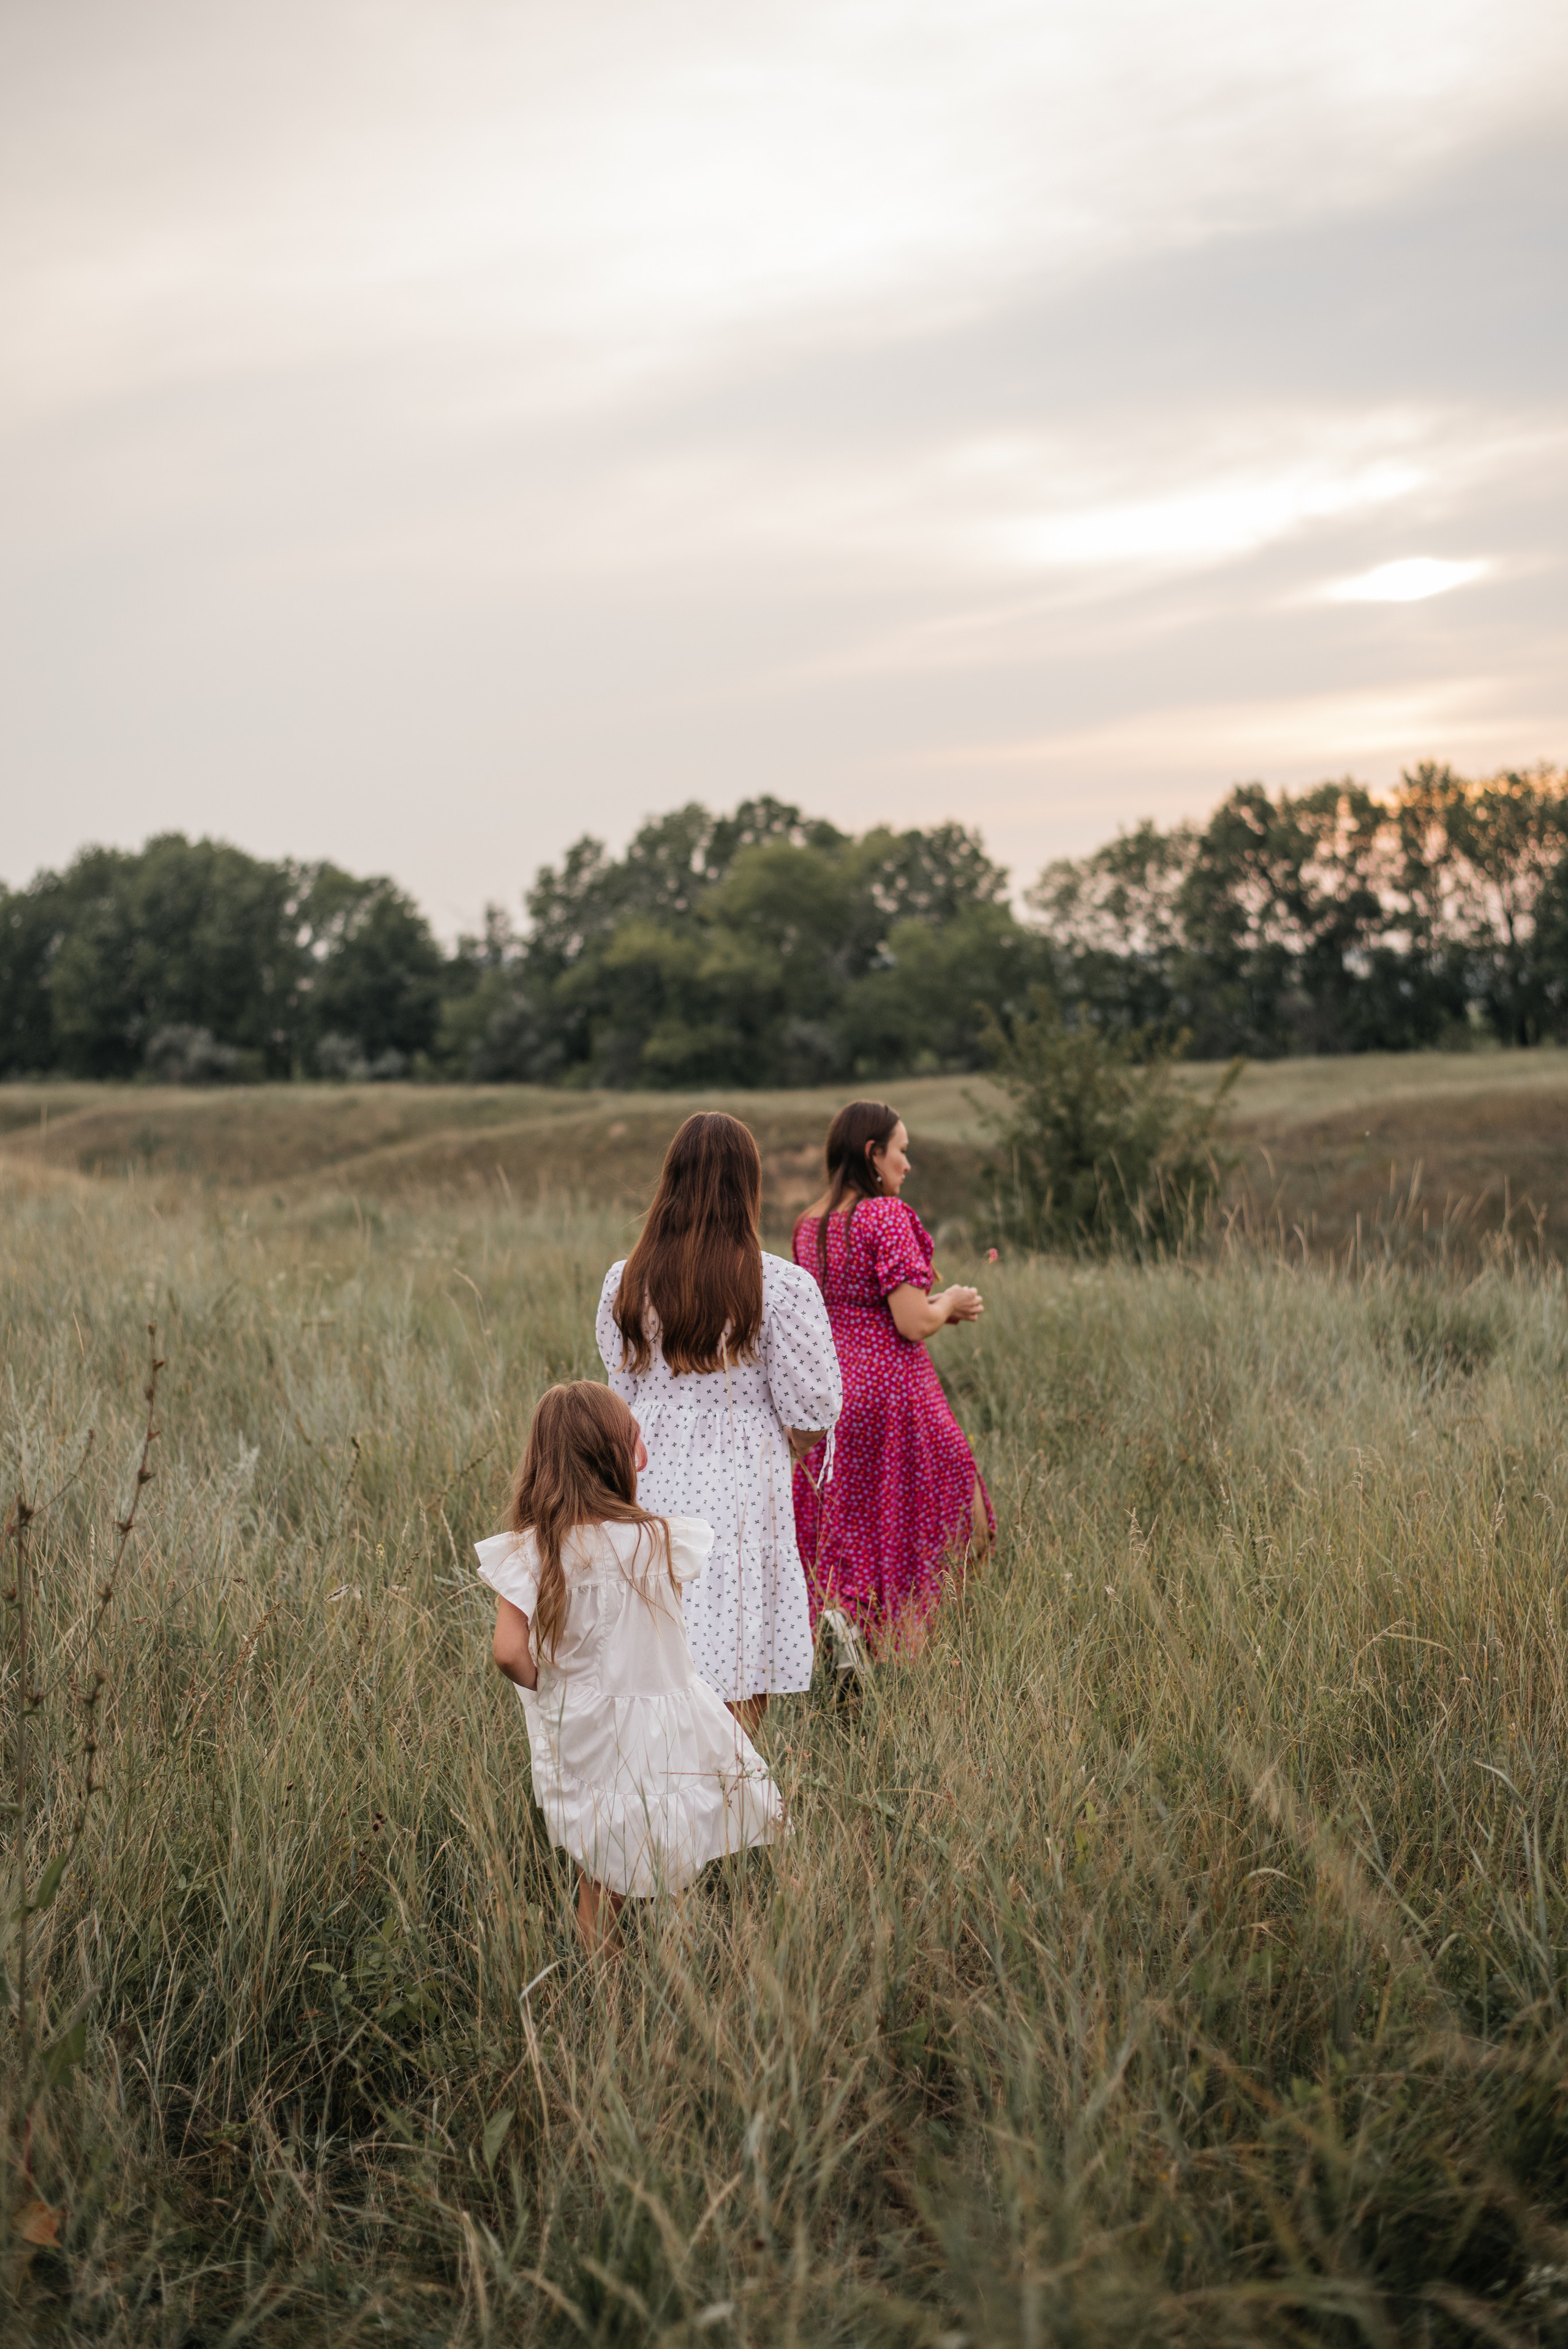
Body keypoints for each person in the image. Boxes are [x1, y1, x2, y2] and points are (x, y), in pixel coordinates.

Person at [477, 1380, 782, 1951]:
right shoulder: (658, 1540)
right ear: (619, 1457)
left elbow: (509, 1652)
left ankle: (606, 1984)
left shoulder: (533, 1550)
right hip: (667, 1718)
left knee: (601, 1870)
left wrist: (555, 1687)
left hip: (588, 1725)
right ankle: (679, 1955)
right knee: (676, 1832)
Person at [597, 1111, 841, 1736]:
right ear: (747, 1186)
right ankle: (729, 1777)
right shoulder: (779, 1284)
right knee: (738, 1628)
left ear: (671, 1181)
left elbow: (621, 1392)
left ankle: (660, 1774)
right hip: (743, 1473)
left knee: (657, 1615)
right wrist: (785, 1444)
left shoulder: (626, 1280)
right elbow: (813, 1408)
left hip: (648, 1470)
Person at [793, 1099, 993, 1657]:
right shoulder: (884, 1215)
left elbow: (850, 1308)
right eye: (901, 1151)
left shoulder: (810, 1226)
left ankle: (851, 1639)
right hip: (893, 1393)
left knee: (857, 1534)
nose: (908, 1164)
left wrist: (933, 1307)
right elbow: (911, 1322)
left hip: (831, 1397)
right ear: (872, 1154)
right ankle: (909, 1657)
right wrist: (949, 1302)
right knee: (954, 1520)